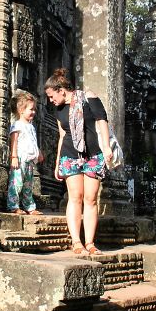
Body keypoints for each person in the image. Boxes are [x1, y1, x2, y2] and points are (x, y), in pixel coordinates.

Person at [44, 68, 114, 255]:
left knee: (90, 199)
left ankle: (90, 242)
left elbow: (102, 120)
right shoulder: (58, 111)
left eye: (52, 96)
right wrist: (58, 162)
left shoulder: (88, 97)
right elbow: (62, 135)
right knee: (75, 197)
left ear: (61, 89)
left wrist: (107, 147)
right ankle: (76, 242)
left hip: (93, 154)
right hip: (70, 155)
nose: (51, 101)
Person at [7, 90, 43, 215]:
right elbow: (14, 141)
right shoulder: (17, 125)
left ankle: (30, 207)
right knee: (17, 183)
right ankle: (13, 205)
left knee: (28, 184)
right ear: (21, 110)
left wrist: (39, 152)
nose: (33, 112)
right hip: (20, 158)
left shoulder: (31, 126)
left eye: (34, 109)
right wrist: (14, 156)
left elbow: (33, 141)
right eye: (31, 109)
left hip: (30, 159)